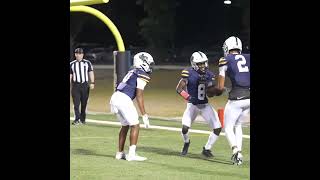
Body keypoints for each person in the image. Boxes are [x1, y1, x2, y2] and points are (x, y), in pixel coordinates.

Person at [110, 52, 155, 161]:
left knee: (125, 125)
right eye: (149, 63)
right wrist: (144, 114)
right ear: (143, 63)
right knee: (135, 125)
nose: (150, 66)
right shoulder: (141, 74)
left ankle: (120, 153)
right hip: (123, 99)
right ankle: (131, 154)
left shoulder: (132, 71)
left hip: (115, 97)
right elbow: (139, 95)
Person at [176, 51, 222, 157]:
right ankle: (187, 142)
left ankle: (207, 149)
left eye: (204, 63)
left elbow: (210, 94)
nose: (202, 66)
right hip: (192, 105)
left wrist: (216, 91)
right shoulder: (188, 73)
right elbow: (178, 89)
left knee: (218, 128)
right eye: (200, 63)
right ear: (194, 64)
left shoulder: (209, 74)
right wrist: (188, 97)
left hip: (204, 105)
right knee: (184, 129)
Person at [216, 36, 250, 165]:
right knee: (238, 124)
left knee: (228, 127)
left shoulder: (225, 59)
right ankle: (239, 153)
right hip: (249, 97)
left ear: (227, 48)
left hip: (237, 98)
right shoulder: (247, 57)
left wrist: (219, 90)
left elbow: (219, 87)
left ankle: (236, 152)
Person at [70, 48, 95, 125]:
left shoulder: (87, 63)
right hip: (75, 85)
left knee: (84, 104)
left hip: (84, 85)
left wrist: (92, 82)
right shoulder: (72, 64)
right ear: (75, 54)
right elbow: (70, 75)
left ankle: (82, 119)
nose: (78, 55)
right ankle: (77, 119)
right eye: (77, 53)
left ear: (82, 54)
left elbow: (91, 73)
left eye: (80, 54)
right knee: (76, 104)